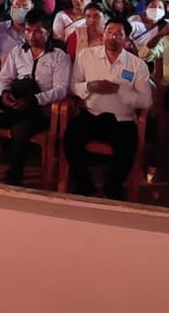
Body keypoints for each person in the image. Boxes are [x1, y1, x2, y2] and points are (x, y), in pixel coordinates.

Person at [0, 10, 70, 185]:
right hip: (14, 103)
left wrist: (35, 99)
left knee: (21, 129)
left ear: (48, 32)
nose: (31, 35)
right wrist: (5, 93)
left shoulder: (60, 57)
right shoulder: (17, 52)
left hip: (38, 110)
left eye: (37, 31)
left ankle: (13, 178)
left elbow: (61, 89)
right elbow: (4, 78)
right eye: (28, 30)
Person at [64, 18, 153, 200]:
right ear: (103, 34)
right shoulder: (86, 56)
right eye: (109, 32)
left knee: (126, 147)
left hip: (122, 119)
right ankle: (84, 185)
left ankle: (113, 188)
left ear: (126, 39)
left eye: (118, 34)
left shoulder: (137, 65)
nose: (112, 37)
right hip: (91, 113)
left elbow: (146, 101)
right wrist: (90, 86)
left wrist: (120, 90)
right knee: (70, 137)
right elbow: (73, 86)